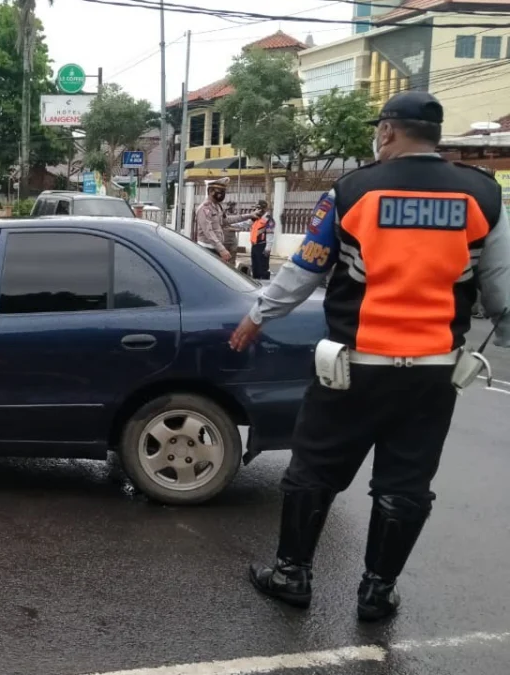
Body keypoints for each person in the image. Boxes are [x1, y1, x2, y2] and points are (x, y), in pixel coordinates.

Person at [229, 91, 510, 621]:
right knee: (405, 484)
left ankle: (292, 576)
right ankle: (377, 592)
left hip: (352, 369)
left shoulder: (354, 190)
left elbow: (305, 269)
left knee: (313, 469)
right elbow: (501, 293)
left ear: (387, 132)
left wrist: (258, 316)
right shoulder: (481, 196)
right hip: (432, 373)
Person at [196, 178, 259, 267]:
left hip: (215, 248)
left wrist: (250, 215)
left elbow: (227, 220)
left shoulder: (218, 207)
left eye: (223, 191)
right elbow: (208, 232)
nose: (222, 194)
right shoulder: (204, 208)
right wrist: (221, 249)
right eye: (220, 191)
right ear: (210, 191)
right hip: (207, 248)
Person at [249, 199, 275, 280]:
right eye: (256, 208)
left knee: (263, 269)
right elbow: (245, 224)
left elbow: (270, 235)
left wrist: (267, 249)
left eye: (258, 208)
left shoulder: (268, 219)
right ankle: (256, 283)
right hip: (254, 246)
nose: (256, 210)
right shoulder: (256, 218)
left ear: (264, 209)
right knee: (255, 268)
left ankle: (264, 285)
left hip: (262, 246)